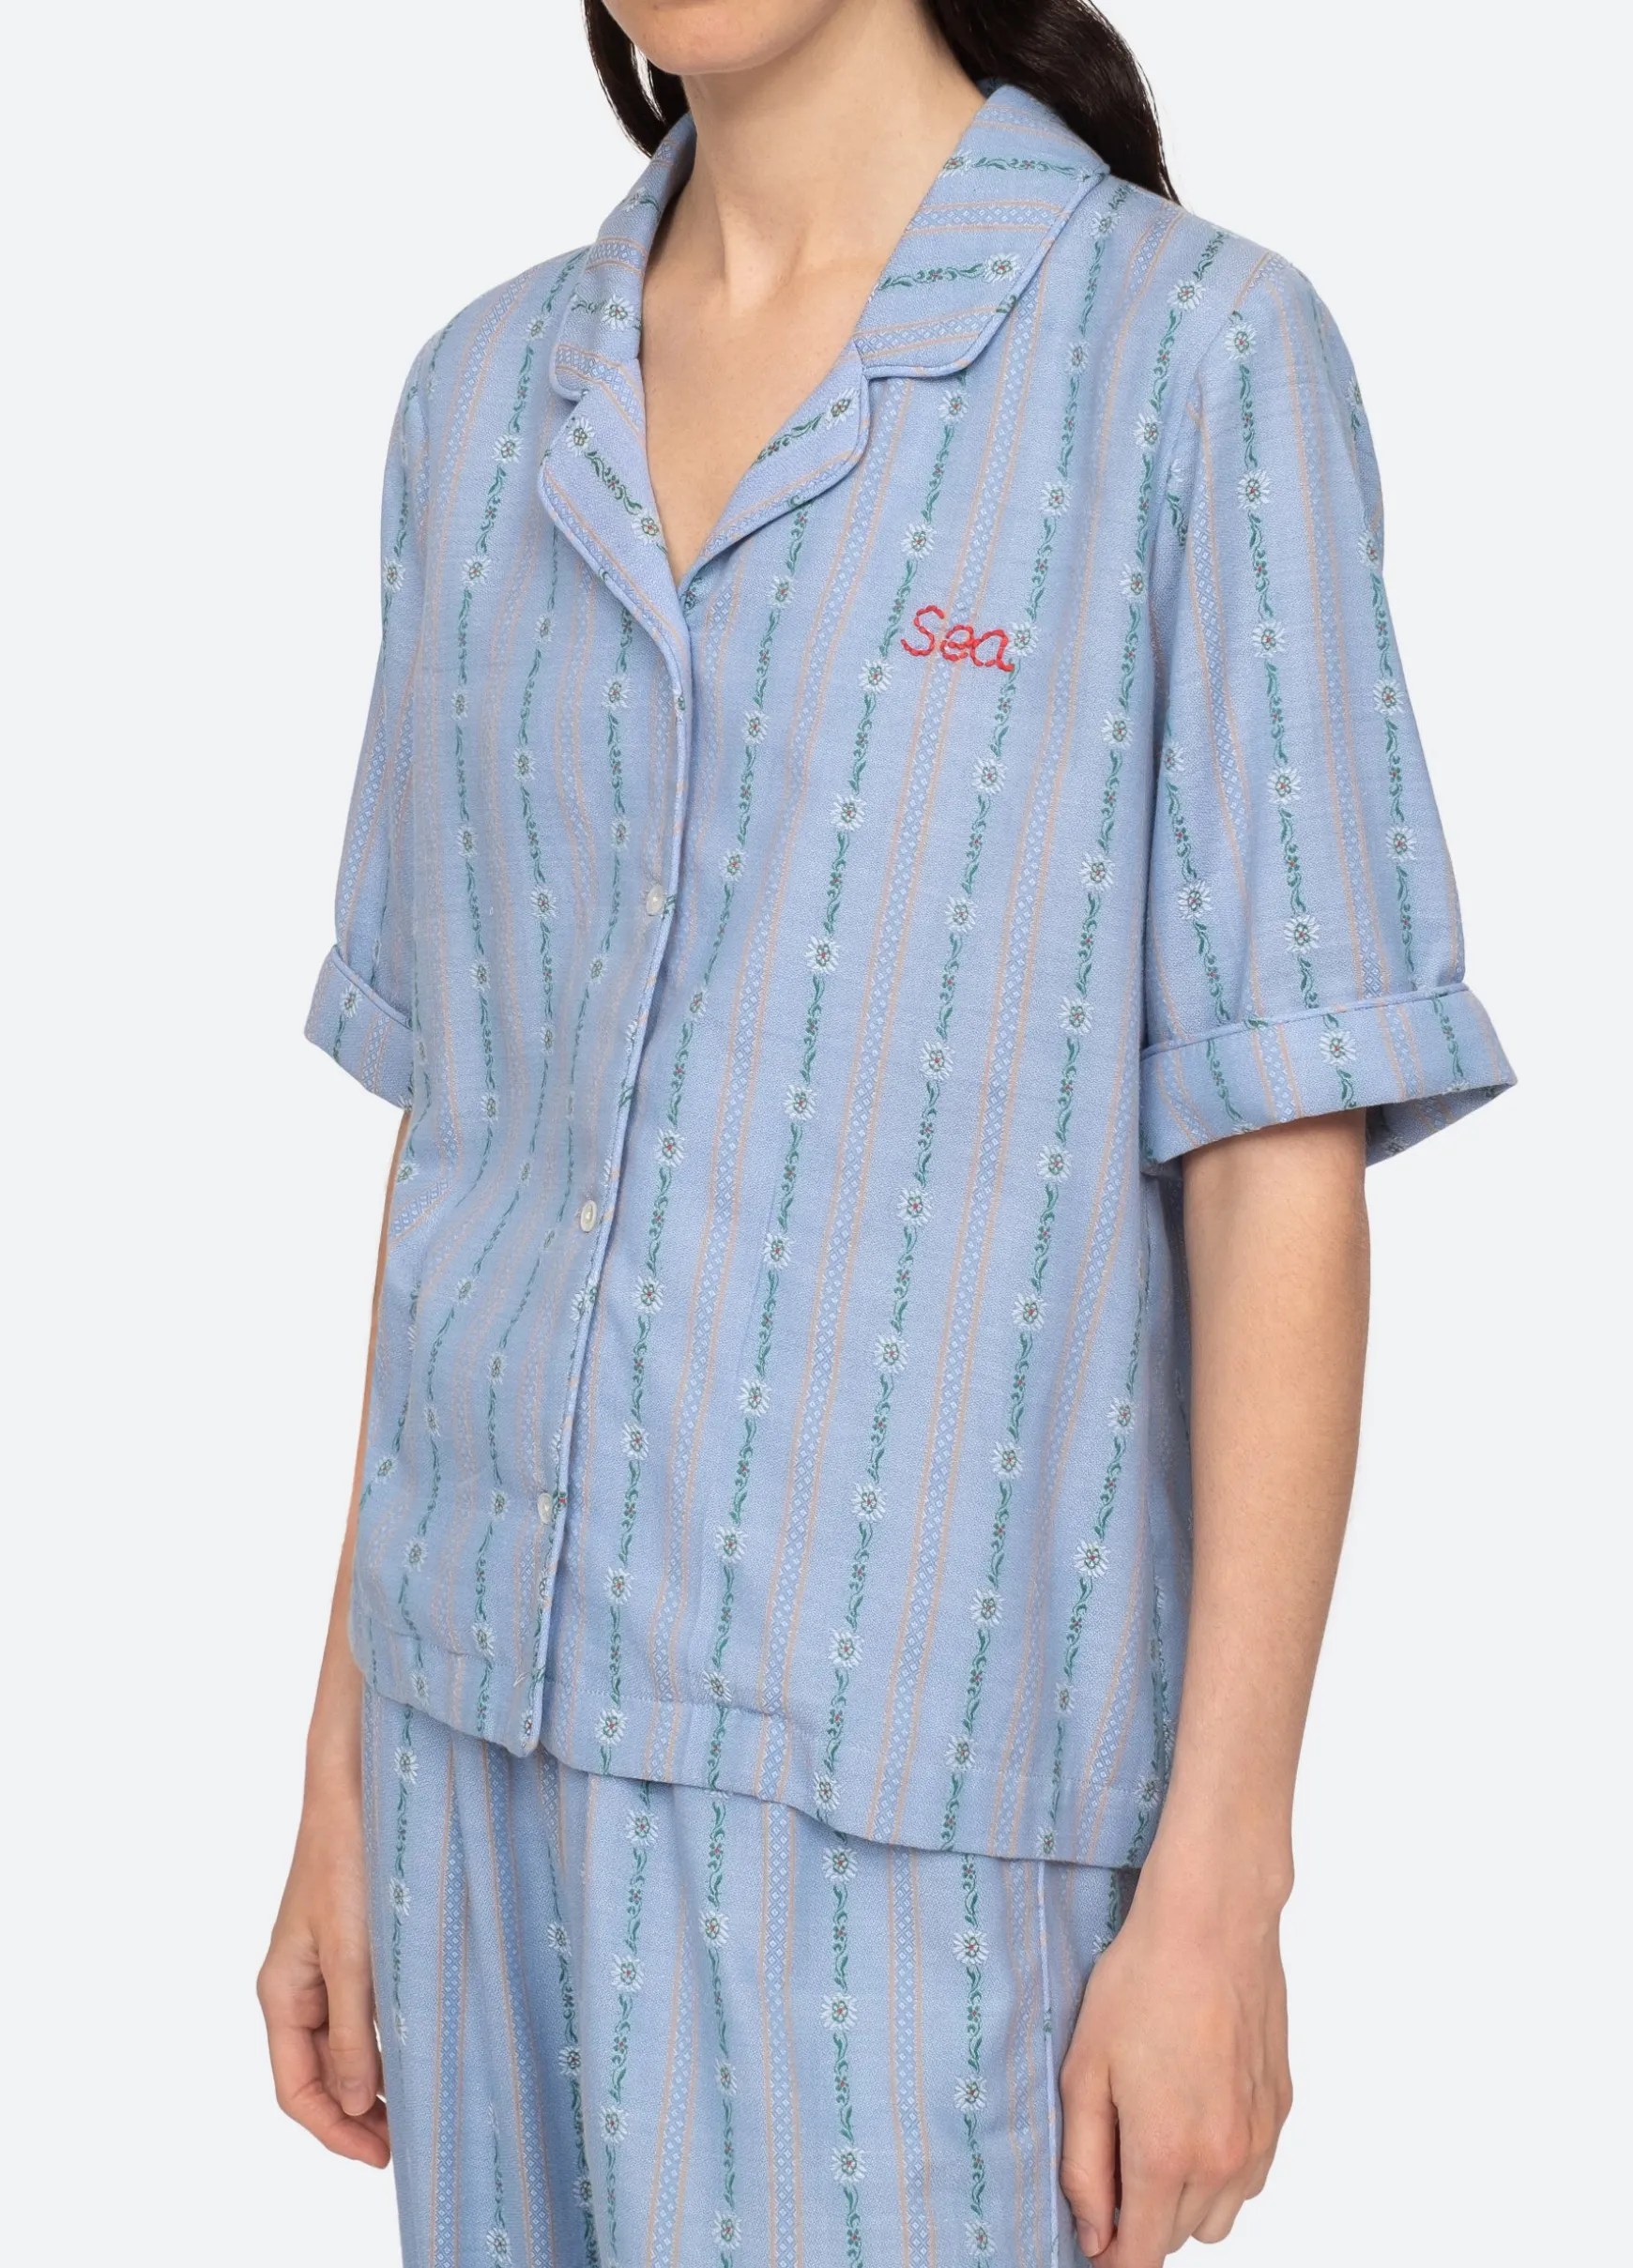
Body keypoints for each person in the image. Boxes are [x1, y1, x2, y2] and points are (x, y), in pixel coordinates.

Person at [258, 3, 1514, 2261]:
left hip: (921, 1833)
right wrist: (340, 1768)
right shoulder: (481, 400)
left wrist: (1224, 1883)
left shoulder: (1190, 367)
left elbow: (1279, 1157)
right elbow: (465, 1121)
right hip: (471, 1762)